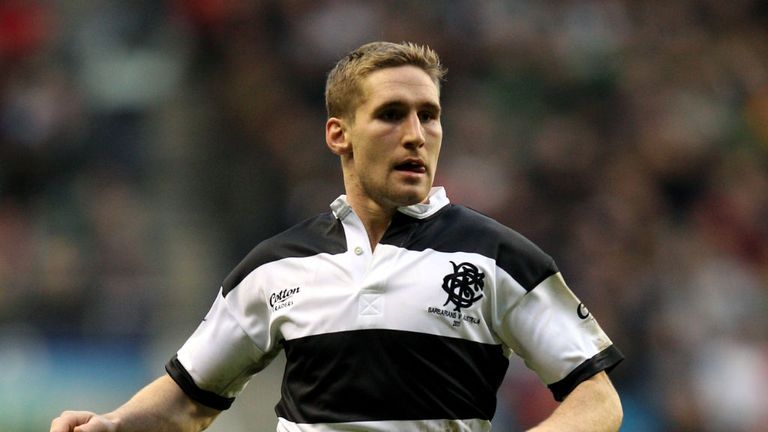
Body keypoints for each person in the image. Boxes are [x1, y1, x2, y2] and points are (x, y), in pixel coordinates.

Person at [51, 41, 624, 432]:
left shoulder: (500, 258)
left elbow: (597, 400)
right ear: (338, 134)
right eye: (392, 114)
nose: (416, 134)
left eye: (429, 115)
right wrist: (113, 424)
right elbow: (187, 402)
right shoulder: (274, 268)